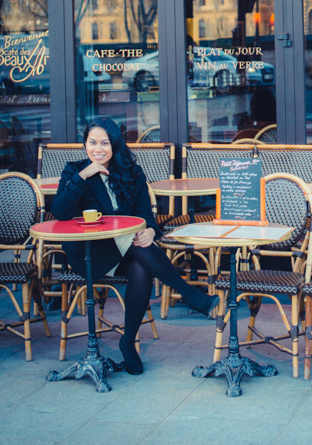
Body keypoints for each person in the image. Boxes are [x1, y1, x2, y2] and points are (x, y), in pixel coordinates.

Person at [51, 117, 218, 375]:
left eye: (104, 143)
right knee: (136, 246)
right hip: (91, 252)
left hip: (126, 249)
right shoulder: (74, 171)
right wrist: (85, 175)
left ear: (114, 145)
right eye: (92, 142)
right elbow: (60, 212)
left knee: (141, 269)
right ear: (84, 144)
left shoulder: (131, 171)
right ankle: (190, 294)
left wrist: (151, 231)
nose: (98, 149)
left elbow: (145, 215)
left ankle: (127, 341)